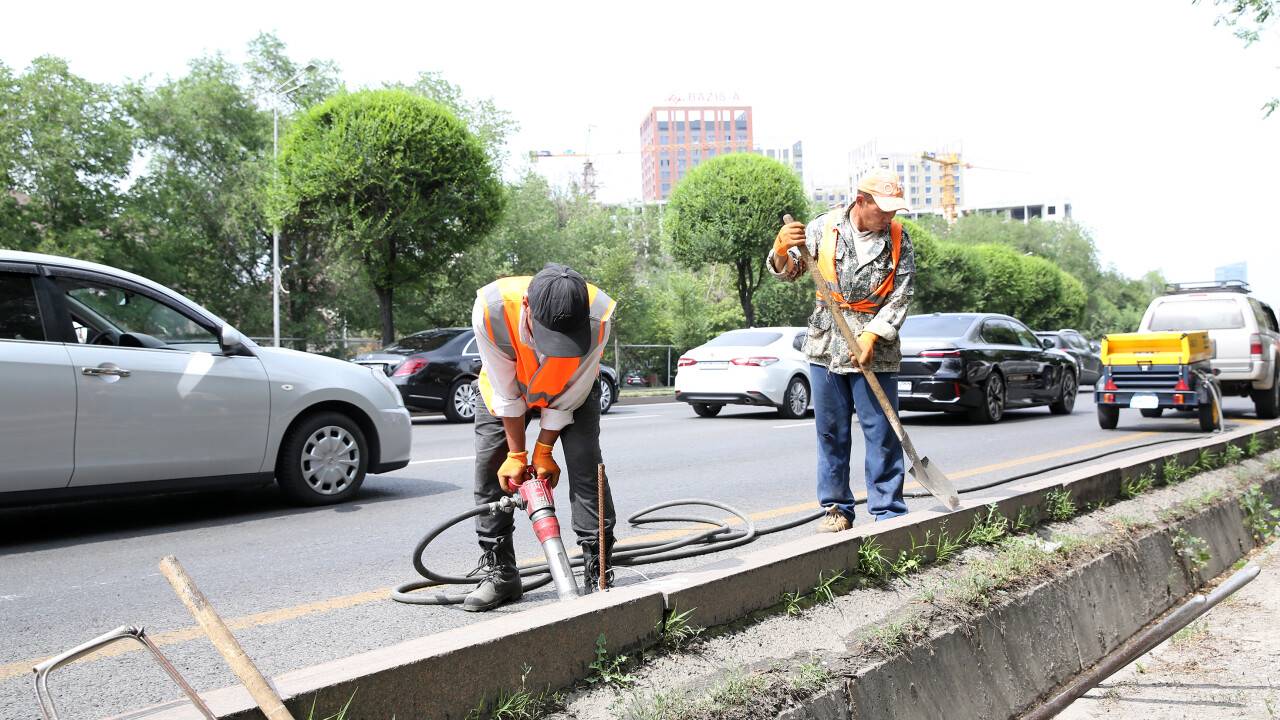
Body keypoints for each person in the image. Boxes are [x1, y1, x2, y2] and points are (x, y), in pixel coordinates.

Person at [463, 262, 618, 611]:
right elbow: (506, 393)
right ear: (528, 306)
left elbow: (571, 394)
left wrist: (544, 449)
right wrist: (518, 455)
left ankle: (599, 570)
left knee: (584, 464)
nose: (552, 350)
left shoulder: (599, 317)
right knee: (492, 466)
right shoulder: (492, 309)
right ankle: (502, 573)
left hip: (570, 392)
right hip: (507, 389)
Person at [768, 167, 916, 532]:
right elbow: (791, 272)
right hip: (826, 344)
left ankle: (887, 509)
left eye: (894, 210)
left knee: (881, 430)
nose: (888, 217)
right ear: (861, 201)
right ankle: (837, 509)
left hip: (876, 348)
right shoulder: (824, 228)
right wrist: (781, 248)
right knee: (831, 431)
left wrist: (872, 336)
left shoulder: (899, 238)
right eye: (882, 209)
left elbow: (903, 293)